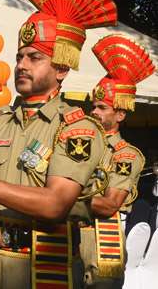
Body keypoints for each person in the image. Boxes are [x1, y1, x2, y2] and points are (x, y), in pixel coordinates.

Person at [0, 0, 117, 288]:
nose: (21, 65)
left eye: (34, 58)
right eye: (19, 57)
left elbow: (55, 204)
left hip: (48, 269)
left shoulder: (77, 127)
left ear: (62, 68)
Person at [80, 34, 154, 288]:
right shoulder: (81, 143)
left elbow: (108, 204)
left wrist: (61, 196)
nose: (93, 112)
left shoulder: (126, 154)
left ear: (120, 113)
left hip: (103, 237)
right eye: (93, 106)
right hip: (70, 234)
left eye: (101, 107)